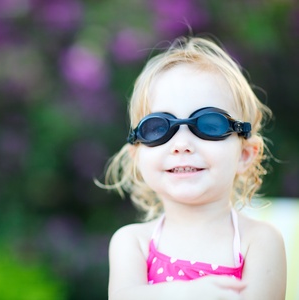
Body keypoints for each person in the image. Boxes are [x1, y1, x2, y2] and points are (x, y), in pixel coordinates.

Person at [99, 36, 287, 299]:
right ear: (137, 158)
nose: (182, 144)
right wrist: (188, 293)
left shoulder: (259, 242)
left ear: (245, 154)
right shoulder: (133, 243)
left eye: (209, 125)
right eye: (159, 128)